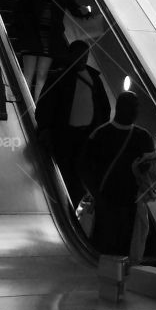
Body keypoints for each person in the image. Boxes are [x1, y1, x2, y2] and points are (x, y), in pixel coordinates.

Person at [78, 90, 156, 260]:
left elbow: (85, 168)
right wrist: (98, 197)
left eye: (136, 107)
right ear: (120, 107)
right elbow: (85, 168)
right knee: (116, 251)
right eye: (131, 106)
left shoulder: (102, 133)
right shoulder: (139, 137)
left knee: (110, 251)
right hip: (112, 204)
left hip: (121, 204)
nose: (135, 111)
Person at [35, 40, 110, 203]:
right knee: (65, 171)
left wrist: (100, 131)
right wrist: (45, 128)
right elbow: (45, 105)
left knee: (79, 173)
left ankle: (72, 203)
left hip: (86, 136)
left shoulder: (94, 78)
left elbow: (104, 107)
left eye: (85, 56)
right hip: (65, 135)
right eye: (79, 56)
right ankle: (62, 202)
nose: (82, 60)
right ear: (71, 56)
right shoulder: (59, 77)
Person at [13, 0, 91, 99]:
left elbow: (73, 8)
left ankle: (37, 106)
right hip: (33, 35)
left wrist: (84, 12)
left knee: (42, 75)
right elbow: (21, 9)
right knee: (28, 73)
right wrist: (23, 27)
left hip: (50, 38)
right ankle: (25, 101)